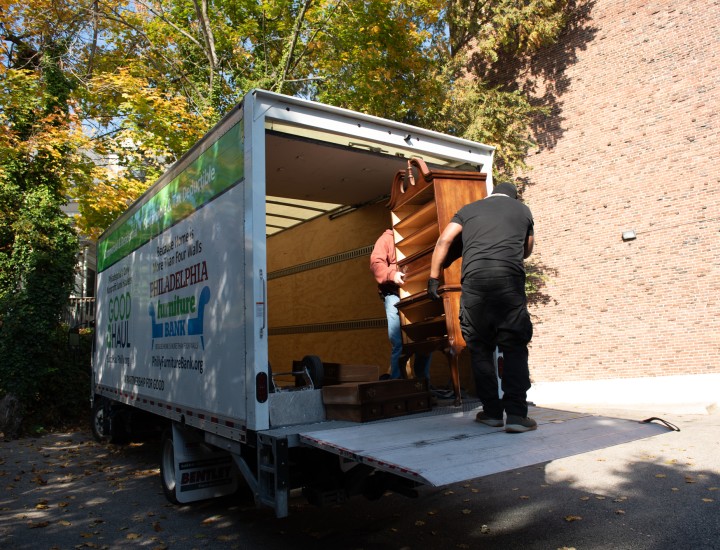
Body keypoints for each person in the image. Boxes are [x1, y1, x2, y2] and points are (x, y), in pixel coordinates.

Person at [427, 182, 536, 433]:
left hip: (475, 287)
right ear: (513, 196)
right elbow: (527, 249)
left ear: (492, 194)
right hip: (509, 285)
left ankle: (492, 413)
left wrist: (434, 278)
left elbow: (444, 240)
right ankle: (518, 415)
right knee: (514, 347)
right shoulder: (523, 210)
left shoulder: (468, 209)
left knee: (480, 349)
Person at [371, 229, 432, 380]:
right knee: (399, 342)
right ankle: (397, 384)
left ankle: (422, 384)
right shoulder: (386, 239)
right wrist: (392, 275)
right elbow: (375, 263)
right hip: (393, 294)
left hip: (417, 293)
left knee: (424, 340)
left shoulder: (417, 237)